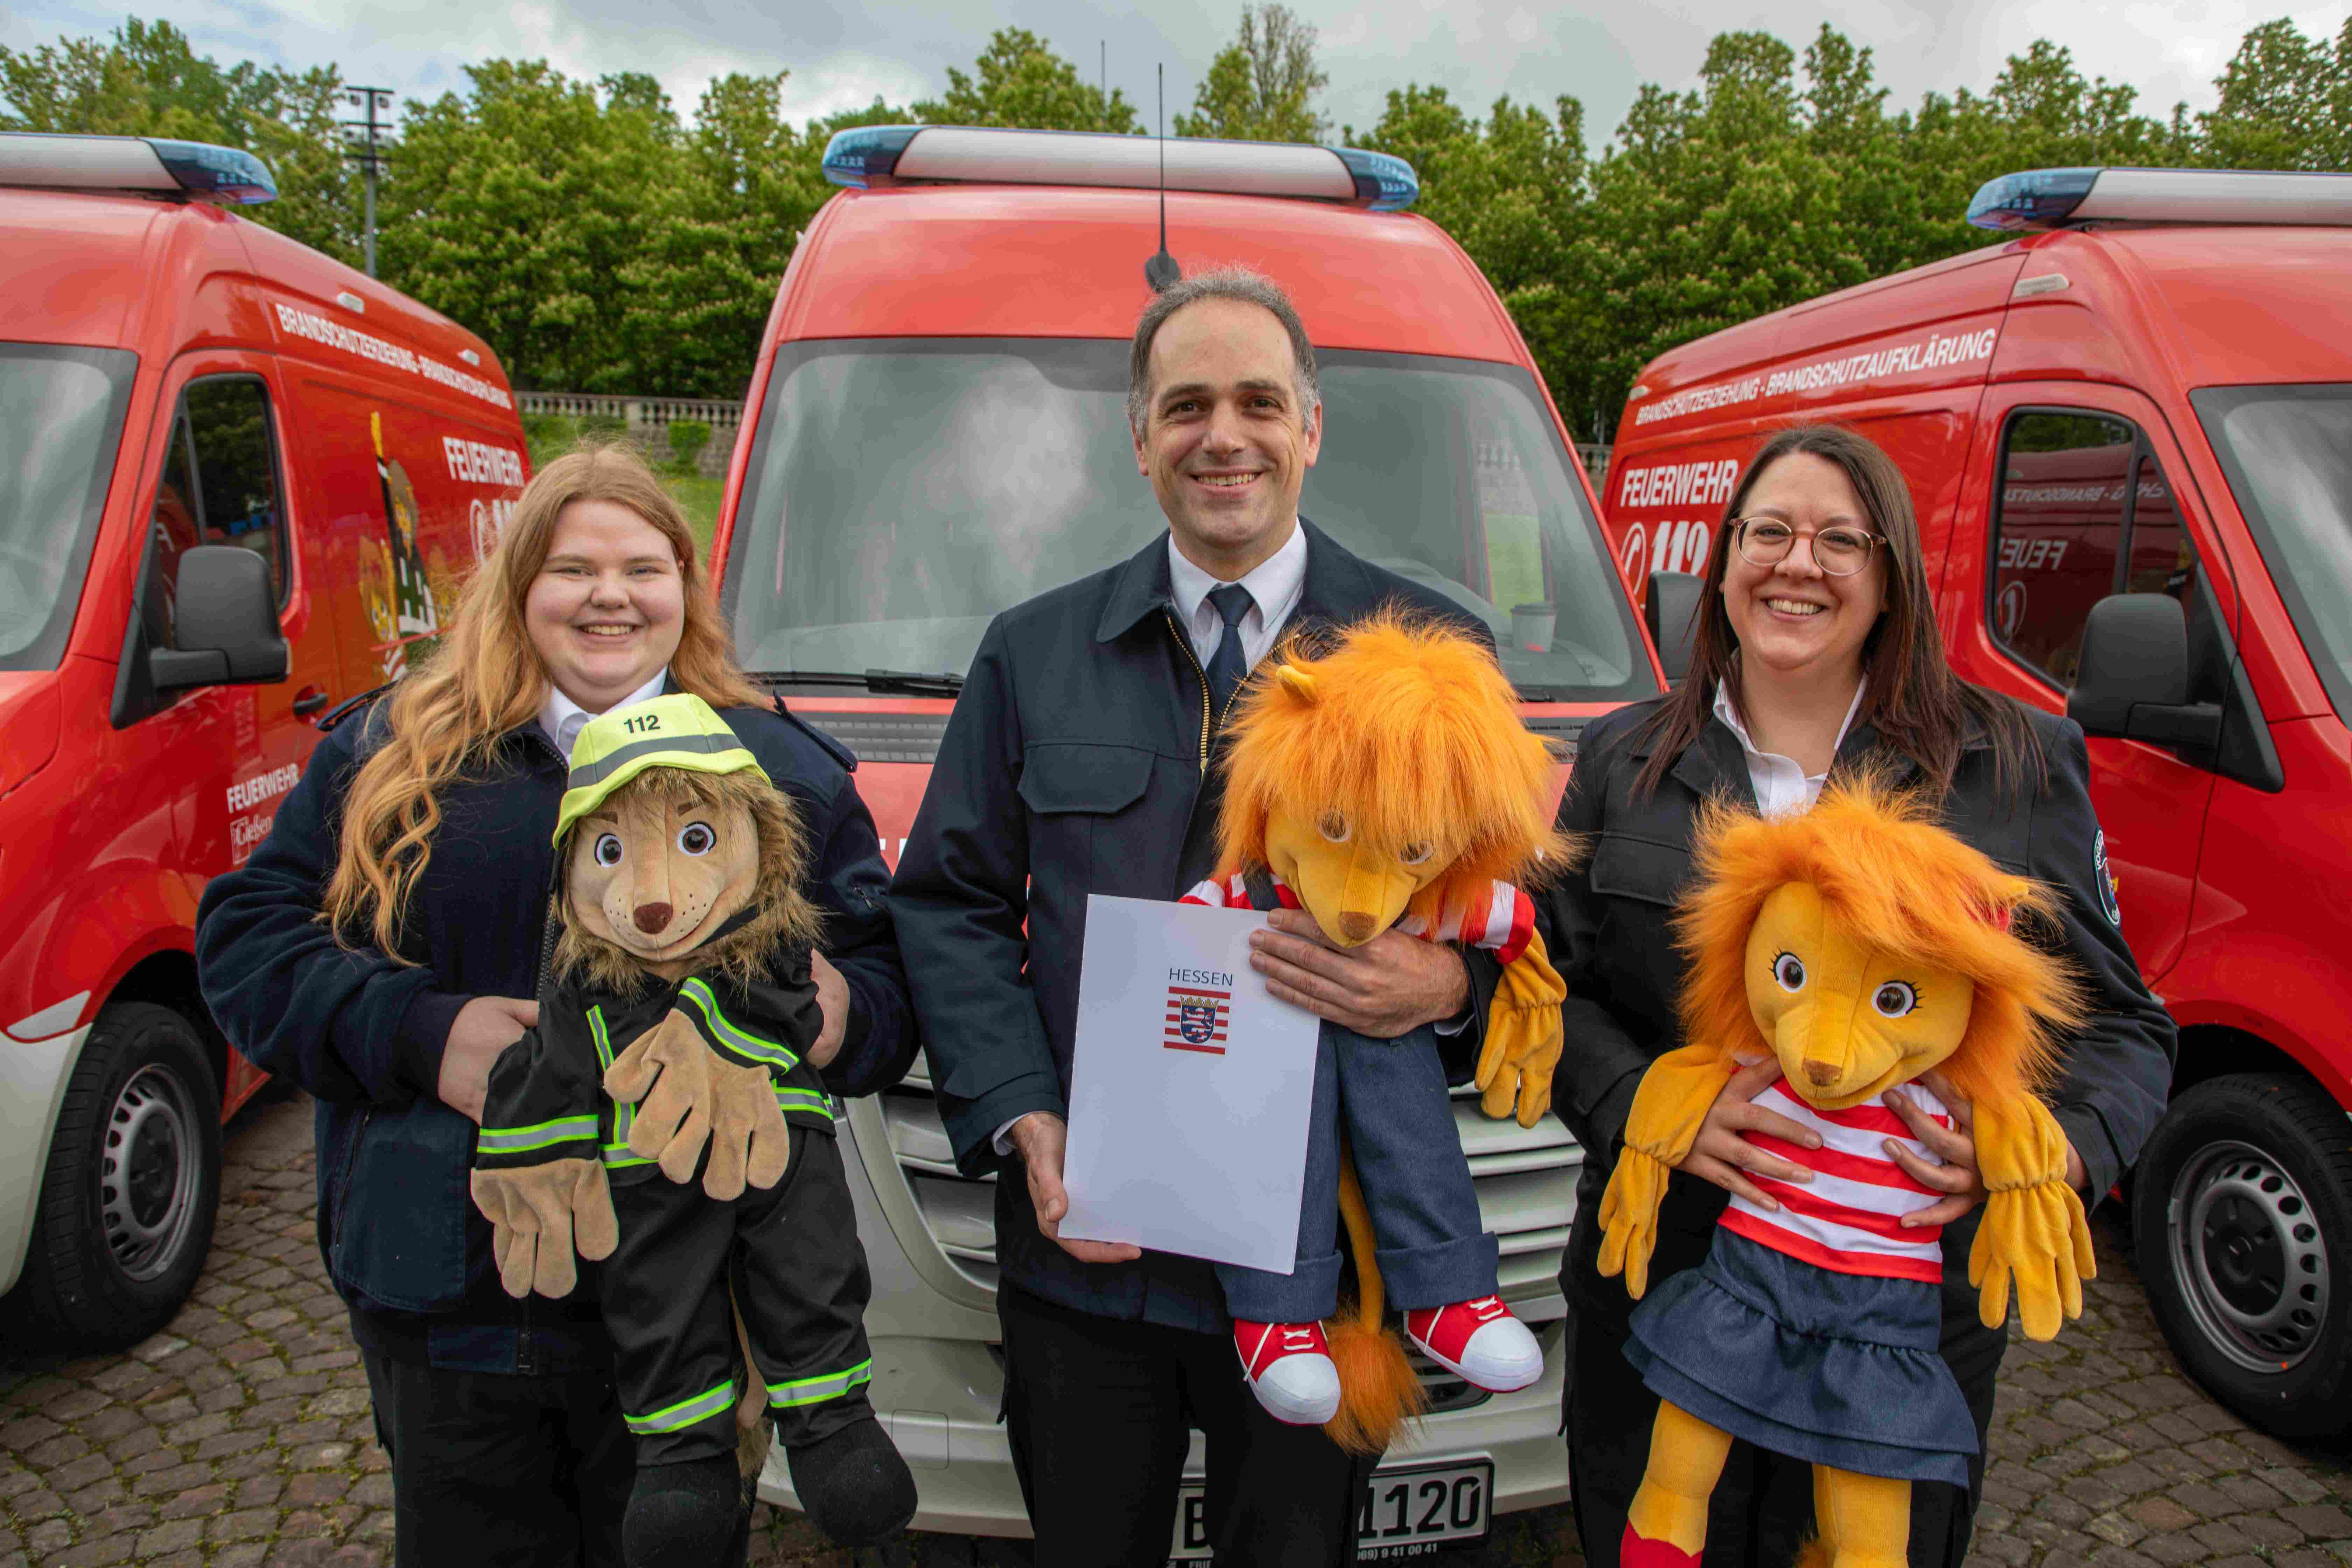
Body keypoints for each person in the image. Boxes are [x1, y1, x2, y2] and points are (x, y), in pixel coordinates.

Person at [195, 446, 918, 1568]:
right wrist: (423, 1035)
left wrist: (834, 1017)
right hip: (453, 1292)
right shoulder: (396, 750)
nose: (610, 596)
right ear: (521, 585)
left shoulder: (779, 767)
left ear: (686, 587)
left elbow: (883, 976)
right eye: (573, 568)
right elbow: (247, 939)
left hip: (687, 1305)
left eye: (643, 566)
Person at [890, 266, 1506, 1566]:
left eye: (1257, 403)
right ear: (1140, 438)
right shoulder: (1034, 650)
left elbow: (1509, 911)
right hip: (1089, 1252)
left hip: (1317, 1267)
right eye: (1186, 407)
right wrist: (1024, 1117)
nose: (1222, 436)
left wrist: (1448, 993)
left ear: (1312, 427)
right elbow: (946, 902)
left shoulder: (1436, 655)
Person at [1543, 423, 2176, 1567]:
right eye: (1770, 532)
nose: (1799, 563)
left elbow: (2125, 1024)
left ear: (1891, 581)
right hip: (1663, 1283)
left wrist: (2051, 1152)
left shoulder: (2014, 762)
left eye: (1843, 540)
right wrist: (1637, 1097)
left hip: (1907, 1318)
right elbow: (1551, 989)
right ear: (1724, 557)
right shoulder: (1620, 757)